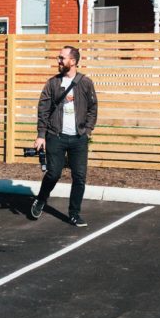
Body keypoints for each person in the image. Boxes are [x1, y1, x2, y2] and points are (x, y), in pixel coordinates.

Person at [30, 46, 97, 227]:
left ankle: (74, 214)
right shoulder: (52, 83)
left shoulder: (85, 83)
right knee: (53, 174)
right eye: (58, 58)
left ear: (73, 61)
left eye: (61, 58)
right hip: (55, 136)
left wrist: (87, 130)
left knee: (79, 176)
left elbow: (93, 108)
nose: (58, 61)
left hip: (78, 138)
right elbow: (43, 110)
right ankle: (41, 199)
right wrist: (41, 135)